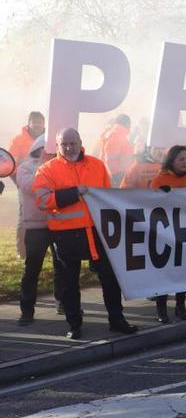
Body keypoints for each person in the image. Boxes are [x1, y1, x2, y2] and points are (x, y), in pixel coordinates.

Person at [32, 128, 138, 339]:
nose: (69, 148)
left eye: (73, 143)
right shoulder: (47, 170)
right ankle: (74, 324)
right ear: (58, 146)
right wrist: (73, 193)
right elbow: (42, 201)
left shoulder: (97, 165)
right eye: (64, 144)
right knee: (69, 283)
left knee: (109, 277)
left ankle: (117, 320)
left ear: (81, 142)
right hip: (65, 236)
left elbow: (108, 197)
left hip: (96, 233)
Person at [148, 145, 186, 322]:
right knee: (165, 272)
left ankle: (180, 307)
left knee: (182, 272)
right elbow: (149, 204)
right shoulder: (160, 179)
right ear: (172, 161)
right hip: (165, 234)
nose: (185, 161)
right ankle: (162, 309)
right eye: (181, 159)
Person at [16, 136, 62, 324]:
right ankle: (27, 311)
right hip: (36, 227)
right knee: (32, 269)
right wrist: (45, 165)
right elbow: (31, 187)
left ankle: (64, 303)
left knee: (63, 267)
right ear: (40, 148)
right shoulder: (25, 168)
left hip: (59, 225)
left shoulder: (60, 166)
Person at [98, 114, 134, 187]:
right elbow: (110, 159)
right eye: (129, 124)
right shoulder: (117, 136)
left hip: (112, 175)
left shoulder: (113, 135)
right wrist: (118, 176)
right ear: (126, 124)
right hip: (116, 176)